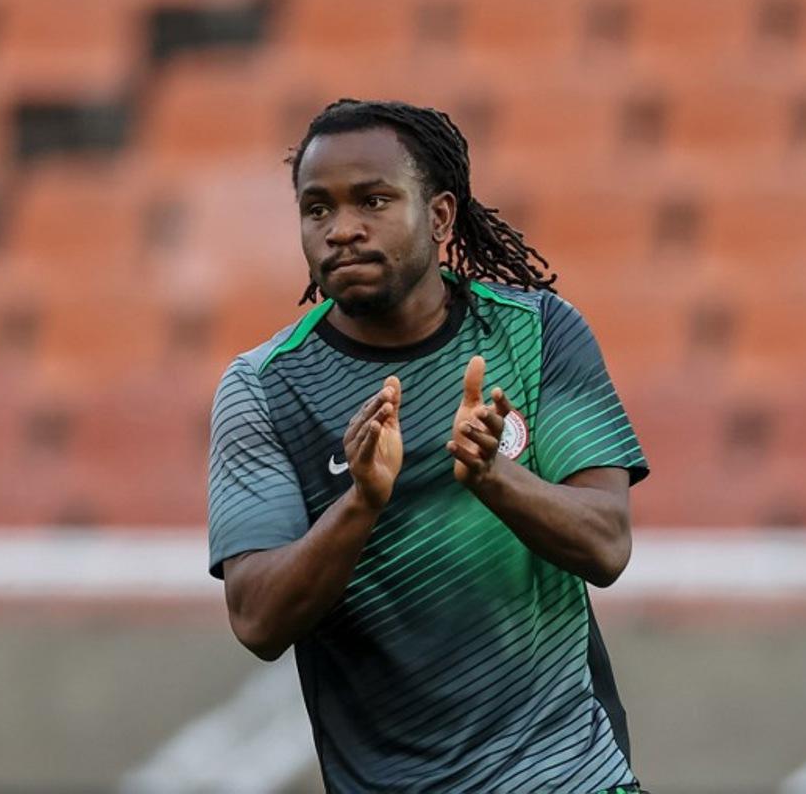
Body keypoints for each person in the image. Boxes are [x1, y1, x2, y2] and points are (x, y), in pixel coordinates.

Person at [207, 99, 650, 793]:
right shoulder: (266, 389)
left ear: (440, 217)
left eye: (374, 201)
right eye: (317, 209)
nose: (342, 229)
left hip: (569, 778)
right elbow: (257, 619)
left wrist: (493, 477)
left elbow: (607, 544)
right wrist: (361, 503)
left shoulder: (537, 335)